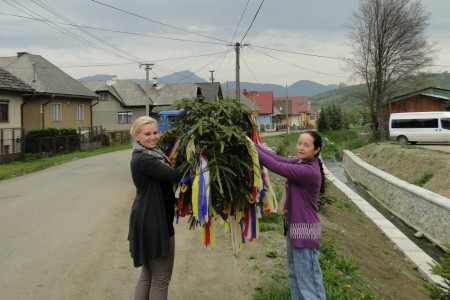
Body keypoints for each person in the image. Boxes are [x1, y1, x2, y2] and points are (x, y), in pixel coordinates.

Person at [255, 130, 326, 300]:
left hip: (305, 232)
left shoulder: (309, 171)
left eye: (306, 145)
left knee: (309, 287)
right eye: (299, 143)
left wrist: (249, 147)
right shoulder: (302, 163)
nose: (300, 147)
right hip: (296, 228)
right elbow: (278, 159)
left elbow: (276, 166)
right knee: (295, 278)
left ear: (316, 150)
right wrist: (254, 144)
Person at [128, 116, 186, 300]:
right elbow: (175, 174)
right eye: (147, 134)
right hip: (154, 223)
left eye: (155, 132)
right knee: (161, 279)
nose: (153, 137)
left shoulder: (151, 152)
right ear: (136, 136)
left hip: (148, 220)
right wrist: (196, 158)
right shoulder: (144, 159)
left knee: (148, 276)